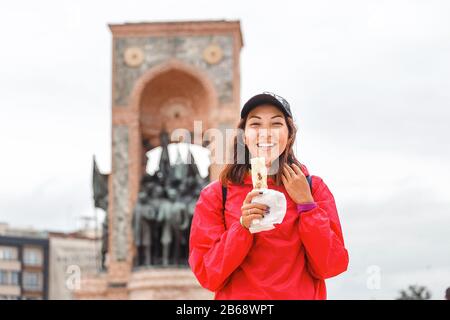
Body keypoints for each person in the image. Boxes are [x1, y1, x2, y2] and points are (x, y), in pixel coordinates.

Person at [188, 92, 349, 299]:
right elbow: (208, 276)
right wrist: (242, 228)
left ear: (290, 134)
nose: (265, 133)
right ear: (244, 136)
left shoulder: (313, 188)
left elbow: (331, 266)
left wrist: (307, 207)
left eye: (276, 124)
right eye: (255, 125)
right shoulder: (217, 194)